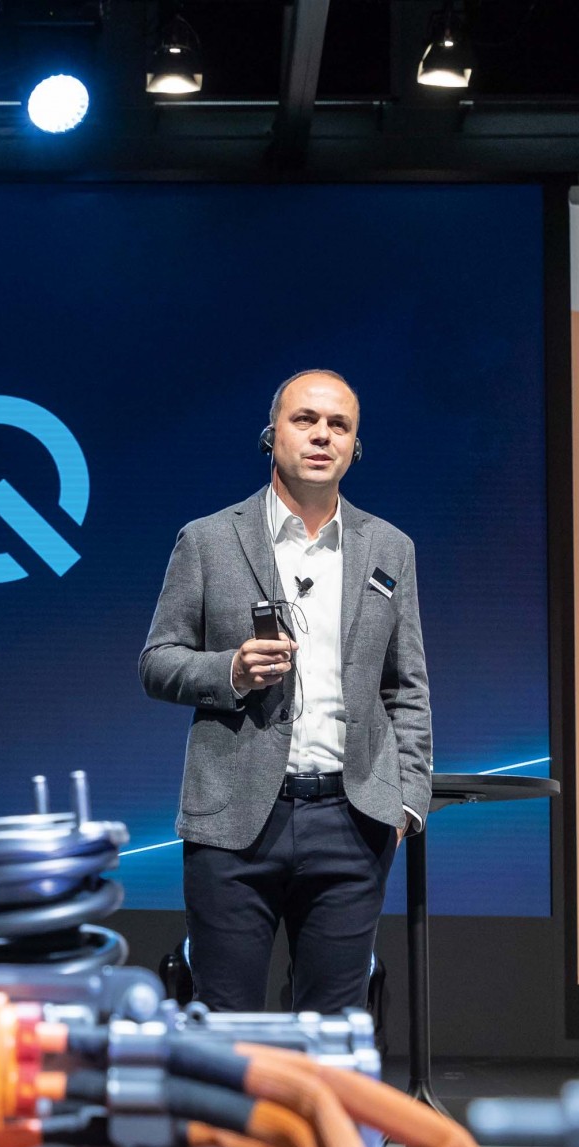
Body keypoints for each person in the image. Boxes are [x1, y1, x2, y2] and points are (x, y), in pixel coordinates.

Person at [140, 369, 432, 1012]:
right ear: (272, 435)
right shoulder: (208, 540)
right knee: (227, 1031)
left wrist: (406, 803)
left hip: (353, 821)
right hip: (234, 822)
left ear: (355, 446)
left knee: (330, 1038)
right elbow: (157, 662)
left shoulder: (389, 548)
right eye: (306, 420)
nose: (322, 435)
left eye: (339, 425)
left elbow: (406, 686)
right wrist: (231, 672)